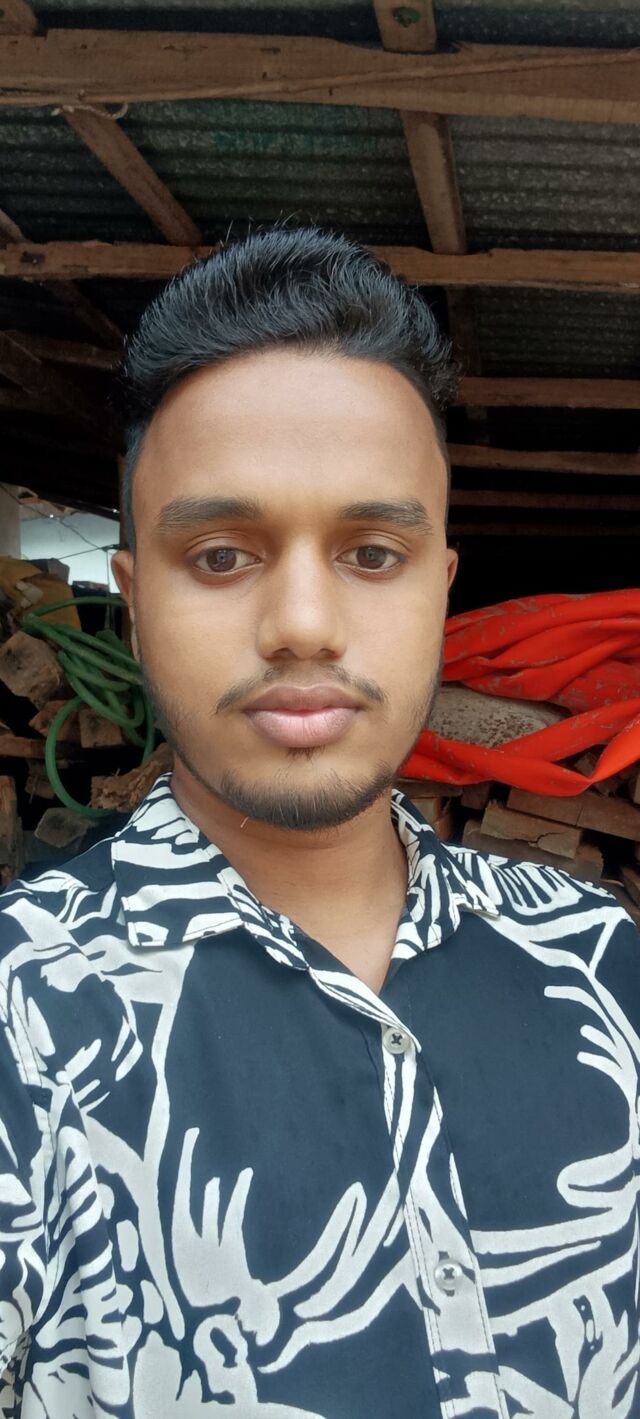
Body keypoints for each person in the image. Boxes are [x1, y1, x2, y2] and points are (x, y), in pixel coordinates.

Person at [0, 224, 637, 1419]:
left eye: (374, 553)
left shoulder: (602, 964)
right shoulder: (21, 1018)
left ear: (443, 586)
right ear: (134, 600)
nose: (303, 623)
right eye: (221, 555)